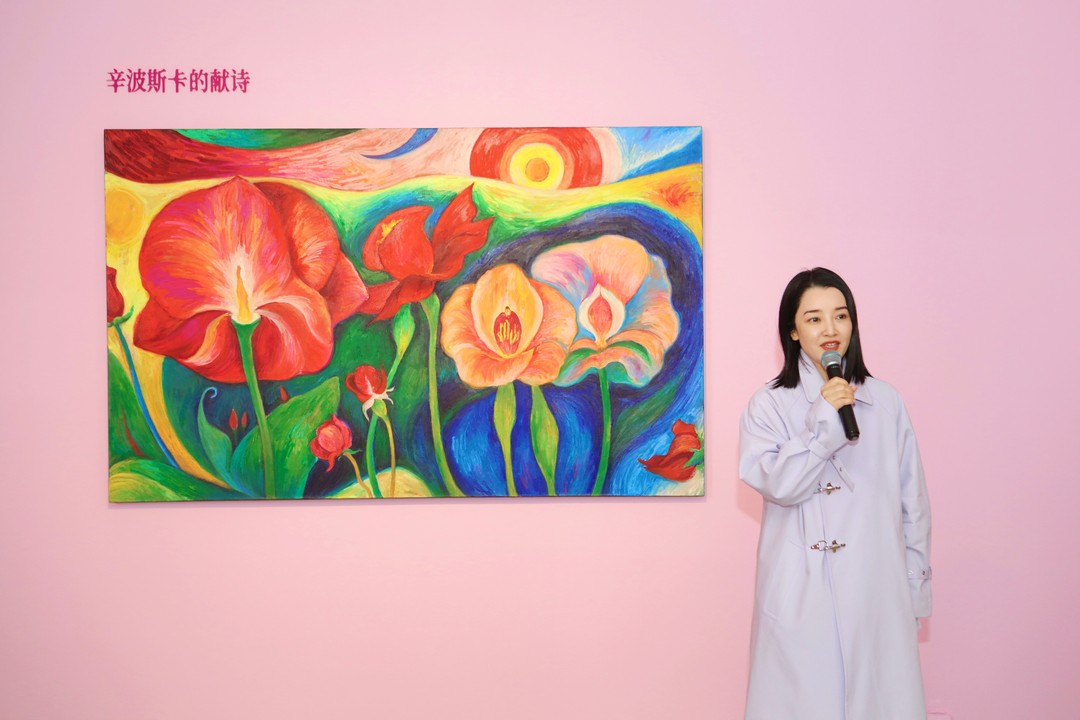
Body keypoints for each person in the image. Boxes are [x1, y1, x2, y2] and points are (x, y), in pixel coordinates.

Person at [739, 267, 931, 720]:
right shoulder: (767, 405)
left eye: (840, 316)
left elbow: (914, 505)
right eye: (814, 318)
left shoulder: (886, 402)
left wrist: (914, 592)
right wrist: (824, 423)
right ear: (792, 330)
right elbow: (778, 484)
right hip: (800, 594)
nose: (830, 329)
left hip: (877, 593)